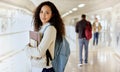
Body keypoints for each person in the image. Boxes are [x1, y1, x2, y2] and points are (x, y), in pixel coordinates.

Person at [29, 1, 65, 72]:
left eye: (47, 13)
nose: (43, 15)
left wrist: (26, 49)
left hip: (45, 68)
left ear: (52, 15)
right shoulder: (42, 28)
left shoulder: (50, 29)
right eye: (41, 12)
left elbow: (39, 52)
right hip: (39, 67)